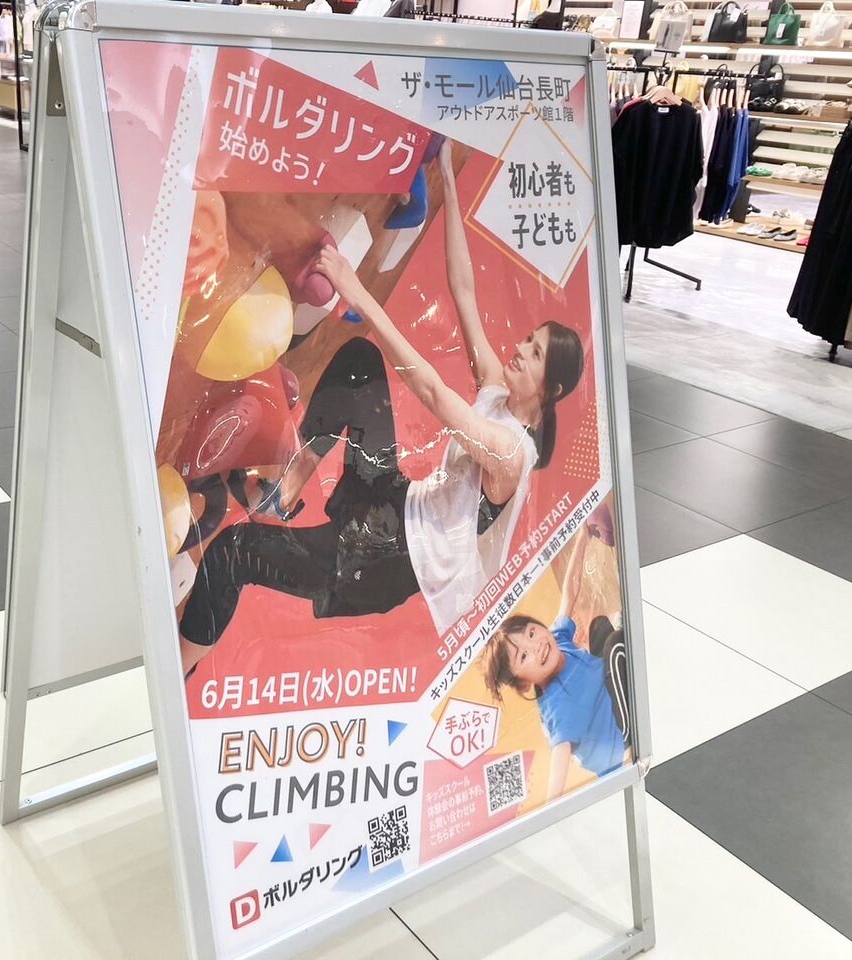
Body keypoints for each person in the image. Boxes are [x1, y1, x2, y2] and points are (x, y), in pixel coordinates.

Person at [177, 141, 585, 675]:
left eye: (534, 355)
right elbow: (463, 289)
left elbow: (432, 392)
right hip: (397, 502)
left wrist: (354, 288)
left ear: (550, 391)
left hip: (385, 562)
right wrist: (449, 181)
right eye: (529, 339)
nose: (519, 349)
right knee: (360, 361)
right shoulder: (500, 392)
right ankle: (289, 485)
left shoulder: (510, 453)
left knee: (233, 552)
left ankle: (179, 668)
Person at [483, 530, 629, 799]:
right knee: (615, 645)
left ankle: (617, 657)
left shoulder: (557, 640)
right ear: (524, 684)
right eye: (523, 656)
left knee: (599, 627)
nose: (536, 645)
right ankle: (631, 732)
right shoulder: (558, 706)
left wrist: (583, 537)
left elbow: (569, 593)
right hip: (619, 743)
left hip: (606, 695)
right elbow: (560, 756)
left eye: (531, 633)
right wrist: (552, 806)